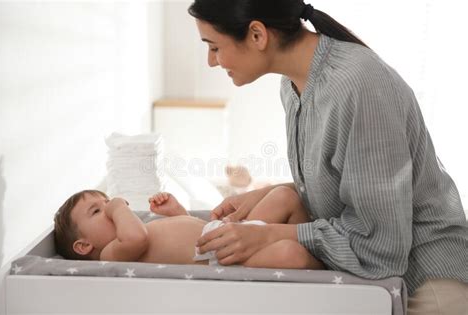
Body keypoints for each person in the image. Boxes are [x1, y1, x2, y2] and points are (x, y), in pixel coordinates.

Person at [188, 1, 468, 314]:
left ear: (257, 35)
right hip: (380, 273)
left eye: (214, 47)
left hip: (427, 281)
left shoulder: (357, 84)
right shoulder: (293, 85)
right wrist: (265, 193)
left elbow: (380, 244)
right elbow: (347, 179)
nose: (211, 62)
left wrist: (268, 234)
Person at [53, 187, 323, 269]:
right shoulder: (109, 254)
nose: (108, 207)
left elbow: (189, 231)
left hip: (224, 231)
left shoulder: (138, 227)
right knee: (289, 253)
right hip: (225, 257)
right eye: (97, 210)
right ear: (84, 245)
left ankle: (324, 250)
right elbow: (137, 238)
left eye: (105, 201)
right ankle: (323, 269)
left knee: (286, 197)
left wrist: (176, 213)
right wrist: (118, 207)